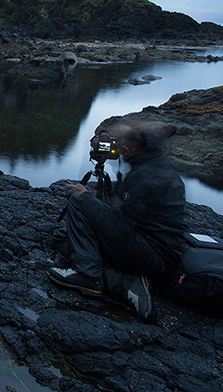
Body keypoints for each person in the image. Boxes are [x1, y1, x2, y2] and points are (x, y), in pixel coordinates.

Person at [49, 123, 188, 323]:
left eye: (112, 144)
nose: (108, 147)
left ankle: (89, 276)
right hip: (161, 247)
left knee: (78, 202)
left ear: (125, 150)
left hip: (151, 252)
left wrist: (86, 197)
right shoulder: (155, 163)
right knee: (64, 239)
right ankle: (129, 282)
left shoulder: (144, 176)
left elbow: (120, 223)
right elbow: (127, 212)